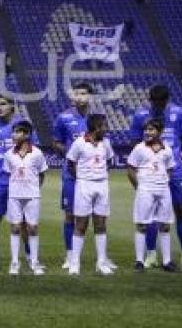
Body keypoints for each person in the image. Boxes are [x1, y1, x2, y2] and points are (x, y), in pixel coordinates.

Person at [130, 85, 182, 269]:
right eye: (156, 102)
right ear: (150, 101)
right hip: (149, 175)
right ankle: (151, 255)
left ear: (167, 99)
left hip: (175, 171)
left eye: (162, 102)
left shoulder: (179, 113)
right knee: (150, 215)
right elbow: (134, 142)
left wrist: (172, 157)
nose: (159, 105)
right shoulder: (141, 116)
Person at [0, 93, 37, 271]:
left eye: (3, 104)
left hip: (20, 181)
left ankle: (29, 256)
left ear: (12, 106)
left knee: (24, 220)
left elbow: (33, 151)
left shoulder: (23, 125)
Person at [52, 82, 101, 270]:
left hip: (93, 175)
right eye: (77, 93)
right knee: (70, 215)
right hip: (71, 174)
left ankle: (101, 258)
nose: (79, 96)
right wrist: (72, 155)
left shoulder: (97, 119)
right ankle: (70, 256)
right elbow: (56, 142)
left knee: (98, 217)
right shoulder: (63, 117)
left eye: (83, 93)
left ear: (90, 96)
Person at [66, 114, 114, 276]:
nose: (106, 129)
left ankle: (101, 262)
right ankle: (74, 263)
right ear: (97, 127)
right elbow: (71, 163)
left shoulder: (106, 143)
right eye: (104, 126)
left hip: (102, 185)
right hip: (84, 185)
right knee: (81, 224)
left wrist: (100, 174)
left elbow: (110, 161)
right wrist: (81, 178)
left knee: (101, 224)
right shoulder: (79, 143)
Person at [127, 119, 177, 272]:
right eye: (146, 130)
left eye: (151, 130)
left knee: (165, 224)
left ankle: (167, 262)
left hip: (163, 190)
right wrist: (139, 186)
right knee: (142, 224)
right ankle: (139, 262)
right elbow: (130, 169)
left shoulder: (167, 149)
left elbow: (170, 168)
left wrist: (164, 181)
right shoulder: (139, 148)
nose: (147, 132)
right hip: (146, 189)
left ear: (159, 132)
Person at [2, 120, 48, 275]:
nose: (13, 135)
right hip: (14, 195)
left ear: (27, 134)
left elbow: (42, 174)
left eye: (17, 132)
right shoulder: (8, 154)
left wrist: (34, 189)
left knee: (32, 228)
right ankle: (15, 262)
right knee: (15, 227)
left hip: (32, 195)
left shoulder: (37, 153)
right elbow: (9, 173)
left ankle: (34, 262)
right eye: (13, 131)